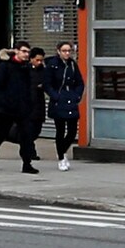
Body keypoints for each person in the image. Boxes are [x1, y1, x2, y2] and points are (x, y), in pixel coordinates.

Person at [0, 46, 40, 173]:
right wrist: (3, 103)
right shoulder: (6, 66)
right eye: (24, 51)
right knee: (1, 134)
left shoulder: (26, 68)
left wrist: (29, 103)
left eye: (28, 52)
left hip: (23, 108)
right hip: (6, 108)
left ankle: (27, 163)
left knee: (26, 135)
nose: (26, 54)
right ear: (16, 51)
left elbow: (28, 87)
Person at [43, 41, 85, 170]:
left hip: (71, 99)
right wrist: (56, 96)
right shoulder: (52, 65)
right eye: (64, 51)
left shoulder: (72, 64)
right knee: (60, 130)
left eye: (69, 51)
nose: (67, 53)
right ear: (58, 51)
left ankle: (63, 150)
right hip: (58, 100)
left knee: (72, 131)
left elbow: (79, 82)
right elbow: (47, 84)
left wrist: (77, 95)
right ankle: (61, 157)